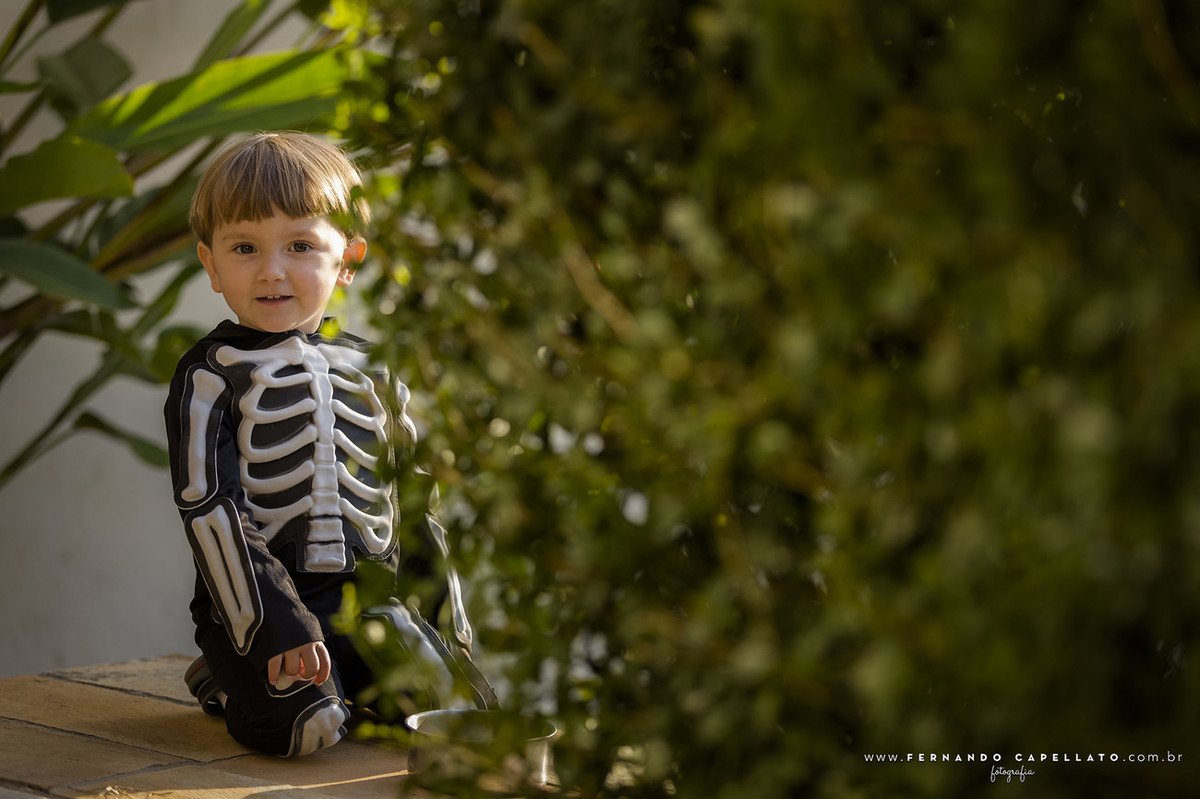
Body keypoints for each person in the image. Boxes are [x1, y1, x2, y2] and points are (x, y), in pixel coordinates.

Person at [164, 131, 492, 757]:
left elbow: (418, 506)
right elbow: (211, 509)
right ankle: (228, 677)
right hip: (263, 610)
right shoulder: (209, 374)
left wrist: (447, 631)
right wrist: (271, 627)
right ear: (211, 264)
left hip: (373, 607)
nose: (271, 270)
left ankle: (346, 680)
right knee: (307, 728)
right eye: (244, 247)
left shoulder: (379, 372)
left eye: (300, 245)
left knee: (461, 720)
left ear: (348, 258)